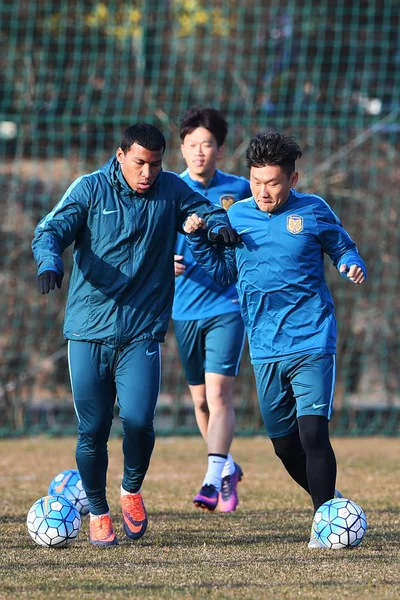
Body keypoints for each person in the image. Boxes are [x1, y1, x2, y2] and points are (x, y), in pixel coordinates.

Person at [32, 123, 238, 547]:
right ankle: (99, 512)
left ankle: (130, 491)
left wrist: (215, 229)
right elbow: (50, 229)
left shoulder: (170, 192)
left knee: (141, 422)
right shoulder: (89, 189)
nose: (148, 172)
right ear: (121, 155)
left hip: (142, 330)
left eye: (156, 164)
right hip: (88, 331)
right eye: (140, 162)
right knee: (92, 429)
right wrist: (50, 260)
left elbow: (209, 210)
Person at [182, 131, 367, 548]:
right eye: (256, 181)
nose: (263, 191)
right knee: (285, 446)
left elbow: (342, 247)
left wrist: (351, 263)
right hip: (265, 346)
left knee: (313, 434)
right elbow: (225, 273)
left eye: (273, 182)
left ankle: (325, 526)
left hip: (312, 338)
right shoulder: (237, 216)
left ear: (293, 179)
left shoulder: (313, 210)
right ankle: (333, 504)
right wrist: (198, 238)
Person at [172, 106, 251, 512]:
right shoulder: (166, 189)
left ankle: (209, 478)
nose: (199, 152)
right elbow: (147, 243)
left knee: (219, 394)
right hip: (183, 308)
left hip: (227, 304)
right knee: (200, 401)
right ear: (182, 149)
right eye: (191, 145)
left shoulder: (239, 189)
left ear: (220, 148)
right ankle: (227, 468)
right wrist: (163, 262)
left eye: (207, 144)